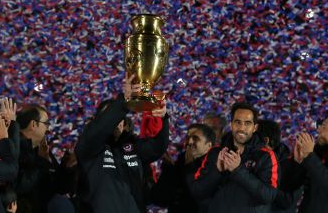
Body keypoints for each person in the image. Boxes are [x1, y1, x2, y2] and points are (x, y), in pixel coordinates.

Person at [75, 74, 169, 213]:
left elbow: (158, 147)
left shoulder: (133, 145)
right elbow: (100, 129)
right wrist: (123, 102)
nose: (116, 121)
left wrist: (164, 117)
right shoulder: (89, 146)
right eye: (112, 117)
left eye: (120, 118)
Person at [189, 103, 279, 213]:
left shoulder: (266, 156)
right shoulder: (215, 153)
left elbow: (268, 196)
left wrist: (238, 171)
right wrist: (217, 172)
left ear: (254, 127)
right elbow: (197, 192)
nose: (242, 128)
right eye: (238, 122)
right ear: (231, 124)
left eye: (247, 123)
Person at [151, 123, 216, 213]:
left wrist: (189, 167)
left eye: (195, 138)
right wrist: (168, 169)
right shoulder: (180, 163)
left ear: (208, 146)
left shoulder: (215, 168)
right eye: (188, 137)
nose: (189, 142)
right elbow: (159, 199)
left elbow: (198, 197)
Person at [15, 104, 57, 213]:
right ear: (33, 124)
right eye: (46, 123)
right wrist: (43, 161)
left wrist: (68, 168)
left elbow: (59, 187)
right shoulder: (13, 149)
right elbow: (21, 186)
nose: (48, 128)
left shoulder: (42, 149)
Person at [257, 119, 302, 213]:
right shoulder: (253, 159)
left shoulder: (291, 166)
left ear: (265, 140)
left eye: (253, 138)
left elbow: (287, 202)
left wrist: (259, 183)